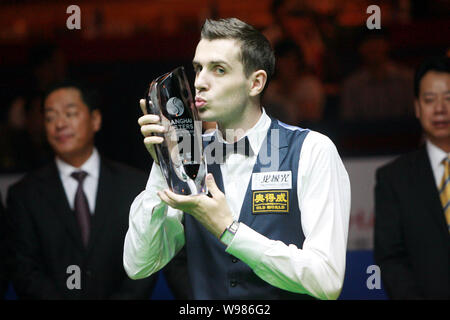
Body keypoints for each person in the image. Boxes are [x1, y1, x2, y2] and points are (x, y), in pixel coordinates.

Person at [123, 18, 351, 300]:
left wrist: (230, 231)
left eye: (218, 70)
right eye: (198, 68)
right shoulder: (189, 155)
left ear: (255, 83)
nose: (200, 82)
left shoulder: (311, 150)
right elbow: (139, 265)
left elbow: (327, 280)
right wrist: (164, 163)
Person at [5, 80, 157, 299]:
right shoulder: (24, 195)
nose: (59, 124)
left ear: (95, 120)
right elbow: (25, 271)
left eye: (70, 113)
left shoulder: (134, 185)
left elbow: (147, 259)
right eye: (50, 117)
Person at [374, 56, 450, 299]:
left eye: (448, 98)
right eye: (430, 99)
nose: (440, 108)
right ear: (417, 107)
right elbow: (391, 259)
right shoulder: (394, 179)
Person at [340, 29, 415, 121]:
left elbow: (415, 116)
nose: (373, 47)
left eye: (378, 42)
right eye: (368, 43)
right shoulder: (352, 85)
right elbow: (349, 122)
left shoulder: (407, 79)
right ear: (360, 49)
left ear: (387, 45)